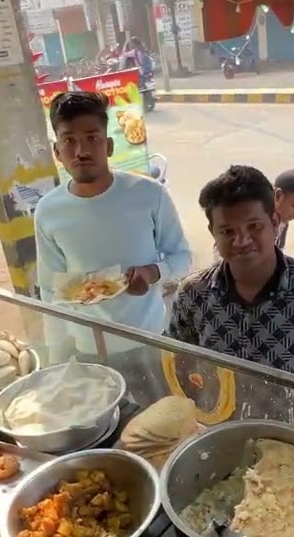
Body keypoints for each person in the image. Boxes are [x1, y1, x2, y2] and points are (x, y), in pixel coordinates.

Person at [168, 166, 294, 427]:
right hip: (218, 434)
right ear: (213, 232)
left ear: (274, 223)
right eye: (227, 231)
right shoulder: (193, 295)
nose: (241, 241)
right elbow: (178, 363)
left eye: (254, 226)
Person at [34, 92, 191, 399]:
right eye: (69, 141)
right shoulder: (49, 211)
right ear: (57, 151)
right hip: (90, 350)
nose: (81, 151)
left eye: (92, 138)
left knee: (161, 428)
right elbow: (50, 290)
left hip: (151, 343)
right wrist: (55, 358)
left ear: (108, 145)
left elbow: (182, 257)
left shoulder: (147, 194)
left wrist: (153, 272)